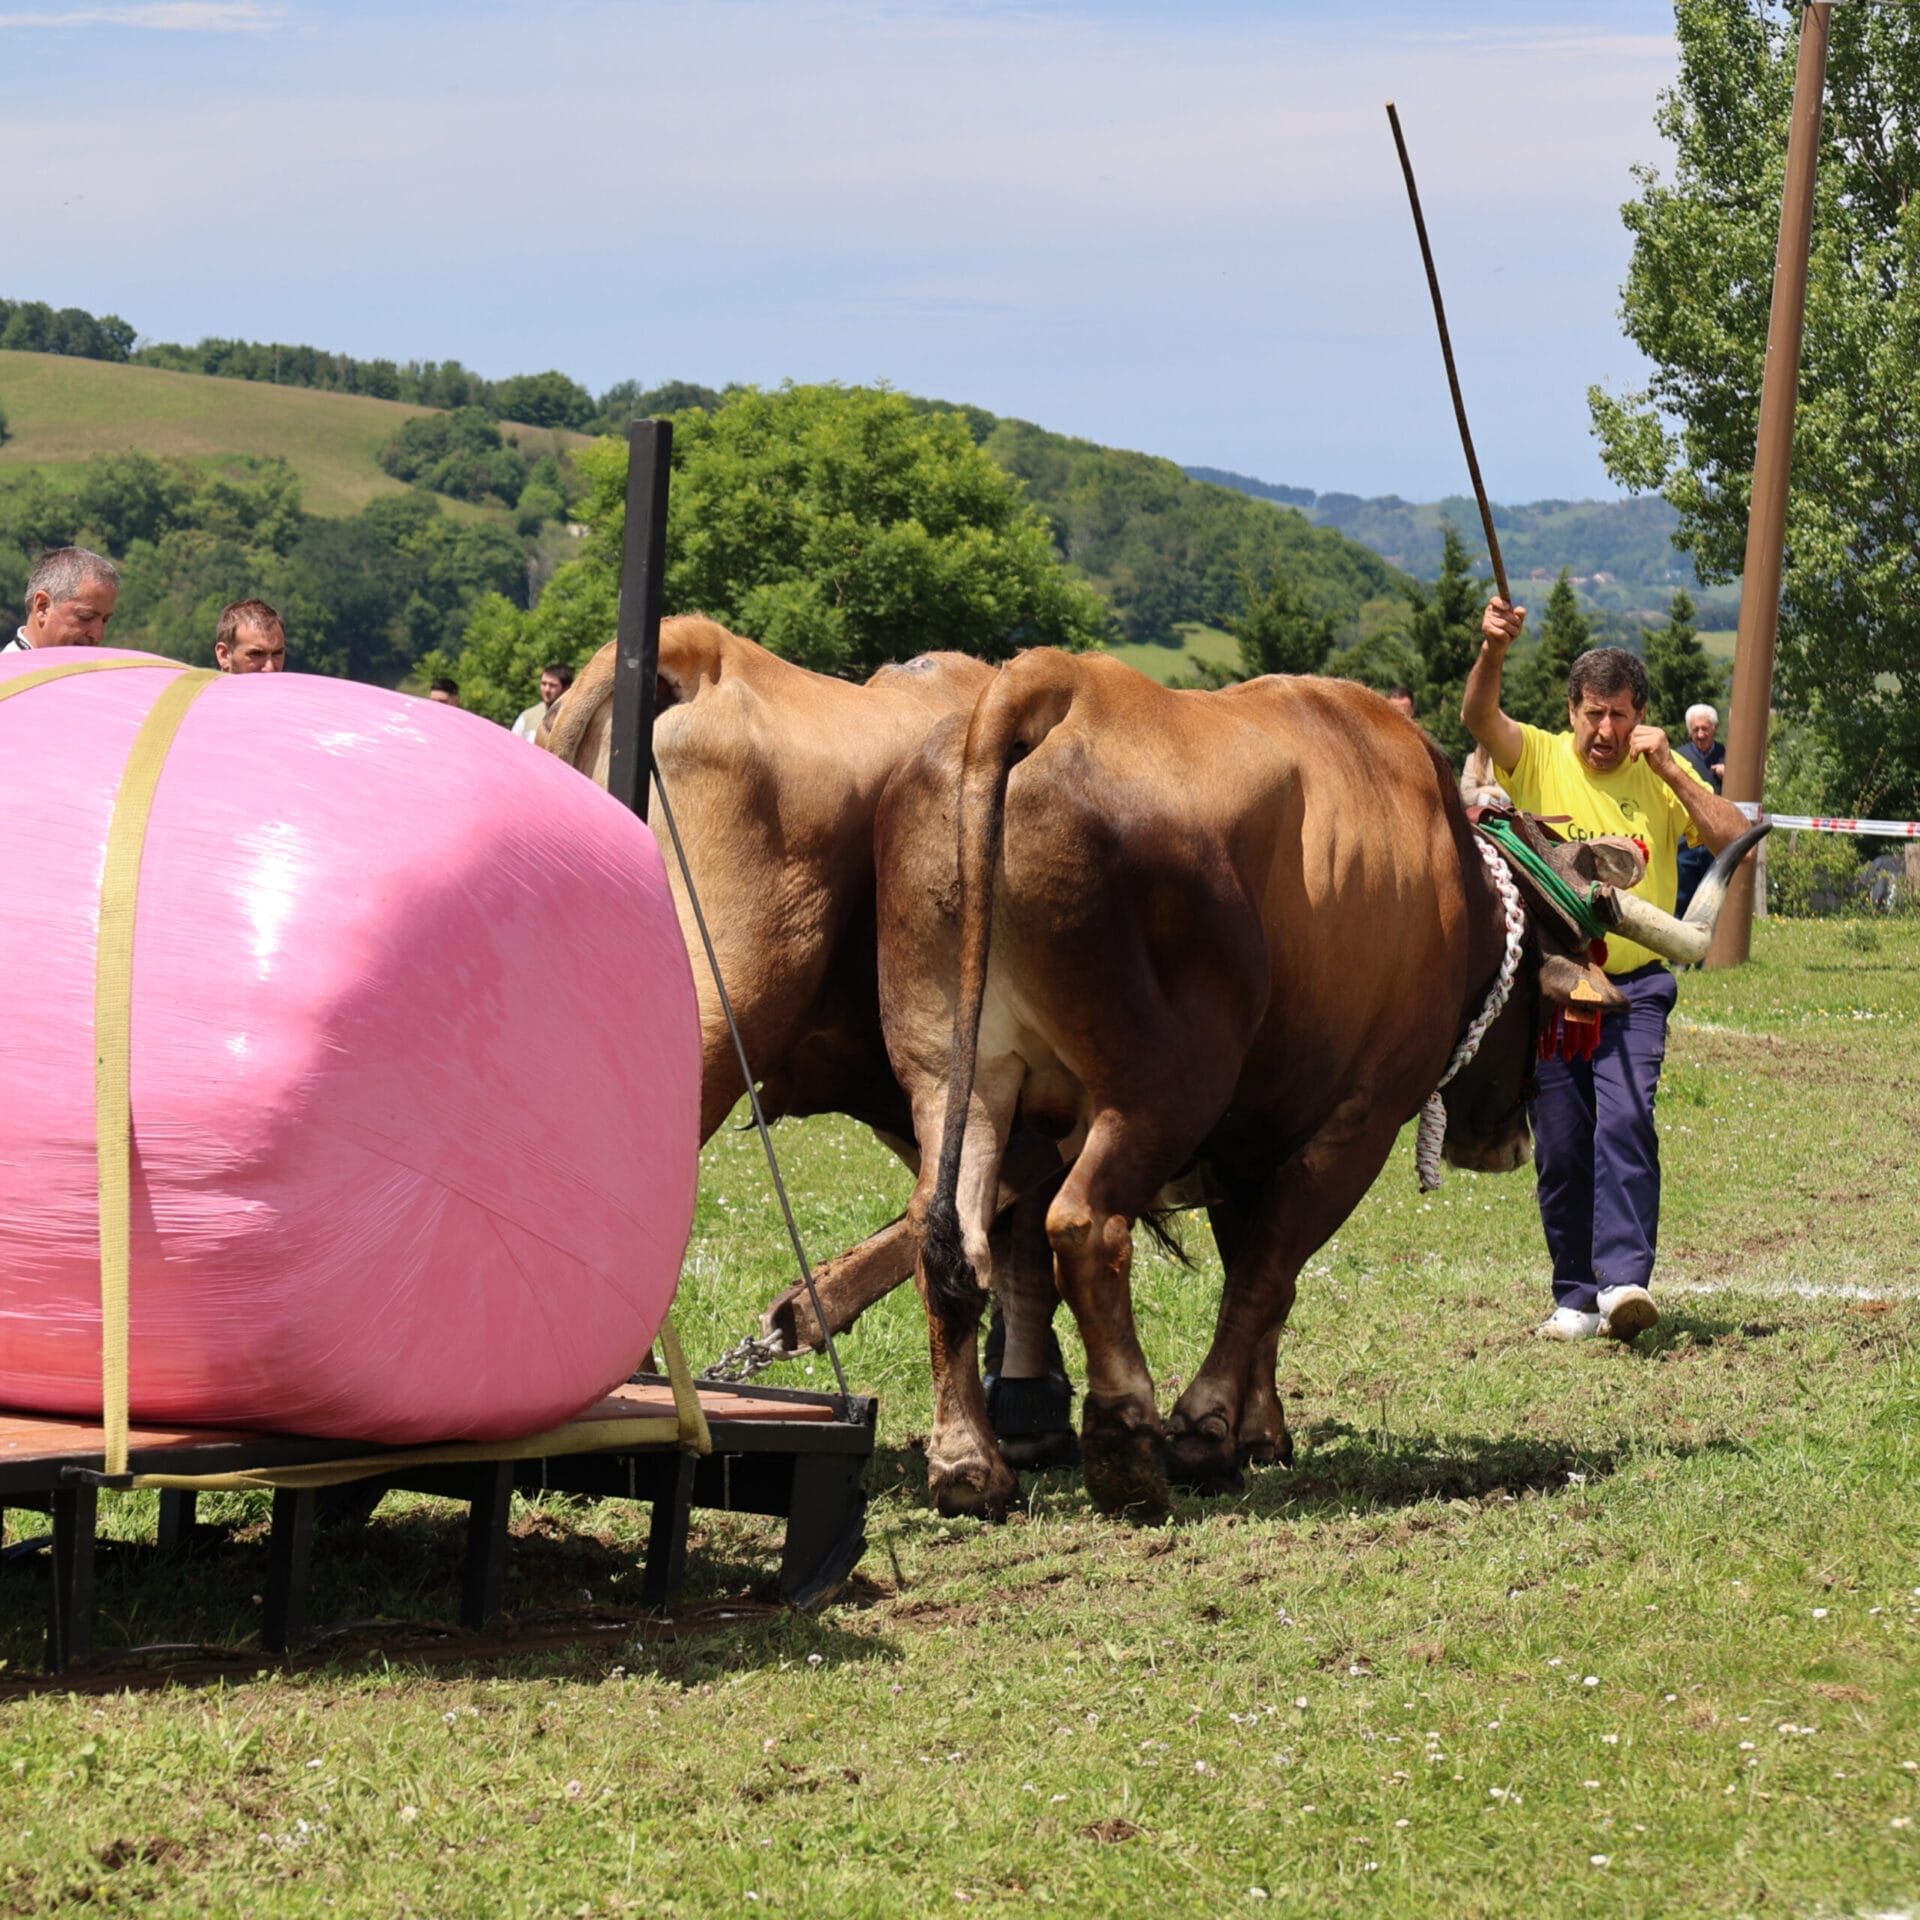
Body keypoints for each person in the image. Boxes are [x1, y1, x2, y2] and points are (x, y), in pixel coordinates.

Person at [1463, 598, 1750, 1343]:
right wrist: (1493, 647)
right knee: (1560, 1144)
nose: (1605, 731)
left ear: (1641, 716)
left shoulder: (1661, 769)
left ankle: (1624, 1281)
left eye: (1620, 715)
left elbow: (1733, 838)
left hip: (1638, 986)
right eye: (1593, 714)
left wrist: (1676, 774)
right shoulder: (1540, 756)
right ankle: (1574, 1298)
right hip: (1557, 988)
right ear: (1572, 712)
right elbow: (1477, 716)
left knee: (1625, 1120)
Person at [4, 547, 119, 652]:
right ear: (42, 606)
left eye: (105, 620)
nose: (98, 635)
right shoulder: (7, 673)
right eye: (86, 617)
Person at [1673, 703, 1725, 916]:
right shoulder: (1677, 757)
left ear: (1715, 728)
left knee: (1712, 895)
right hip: (1685, 842)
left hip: (1714, 840)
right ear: (1689, 731)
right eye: (1696, 730)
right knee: (1681, 896)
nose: (1701, 734)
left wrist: (1731, 777)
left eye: (1705, 728)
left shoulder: (1728, 757)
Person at [213, 598, 288, 674]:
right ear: (224, 655)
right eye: (256, 654)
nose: (270, 668)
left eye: (277, 654)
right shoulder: (203, 685)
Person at [511, 661, 574, 741]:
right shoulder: (527, 717)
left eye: (552, 685)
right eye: (544, 684)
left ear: (566, 688)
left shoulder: (573, 718)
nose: (547, 690)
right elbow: (511, 745)